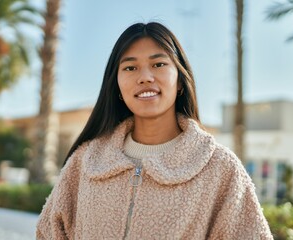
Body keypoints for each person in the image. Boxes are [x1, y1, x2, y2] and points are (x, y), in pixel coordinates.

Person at [36, 22, 273, 239]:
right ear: (116, 85)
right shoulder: (85, 162)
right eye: (130, 68)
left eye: (158, 64)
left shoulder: (219, 168)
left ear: (180, 79)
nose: (145, 77)